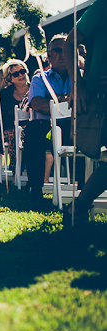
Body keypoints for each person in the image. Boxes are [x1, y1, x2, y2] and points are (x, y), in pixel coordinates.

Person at [62, 0, 107, 226]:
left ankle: (77, 207)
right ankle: (78, 206)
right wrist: (77, 84)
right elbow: (69, 44)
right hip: (100, 100)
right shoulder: (103, 6)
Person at [24, 34, 77, 201]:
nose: (63, 54)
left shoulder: (80, 76)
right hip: (46, 128)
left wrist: (53, 103)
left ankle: (85, 187)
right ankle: (36, 188)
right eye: (58, 50)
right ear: (48, 56)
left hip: (74, 127)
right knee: (33, 130)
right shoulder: (40, 78)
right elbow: (37, 104)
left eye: (67, 50)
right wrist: (64, 100)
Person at [0, 59, 30, 180]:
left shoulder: (35, 89)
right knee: (14, 134)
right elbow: (2, 118)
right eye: (16, 74)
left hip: (31, 128)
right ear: (9, 79)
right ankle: (17, 172)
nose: (21, 75)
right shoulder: (3, 95)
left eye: (23, 71)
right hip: (10, 130)